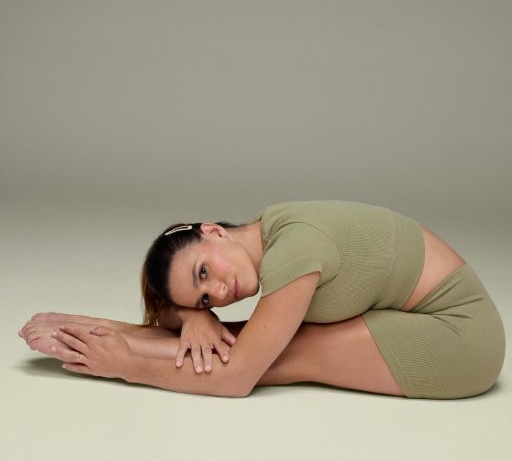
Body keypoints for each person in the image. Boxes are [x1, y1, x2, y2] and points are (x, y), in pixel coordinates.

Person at [19, 200, 505, 399]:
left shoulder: (293, 250)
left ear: (213, 231)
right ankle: (107, 331)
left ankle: (113, 343)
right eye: (205, 299)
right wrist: (195, 319)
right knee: (263, 341)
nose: (218, 292)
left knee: (284, 353)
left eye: (204, 271)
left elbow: (238, 377)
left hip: (459, 339)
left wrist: (126, 366)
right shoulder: (267, 230)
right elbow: (224, 329)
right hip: (415, 318)